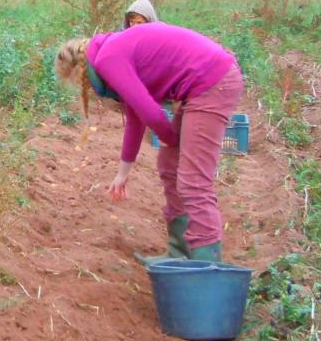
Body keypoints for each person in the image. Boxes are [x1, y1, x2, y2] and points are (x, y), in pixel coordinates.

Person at [53, 23, 244, 264]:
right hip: (206, 81)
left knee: (194, 181)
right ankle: (179, 252)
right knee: (169, 163)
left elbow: (151, 114)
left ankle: (207, 267)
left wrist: (173, 139)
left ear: (80, 74)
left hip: (212, 82)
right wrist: (124, 172)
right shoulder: (111, 50)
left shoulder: (108, 59)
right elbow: (136, 114)